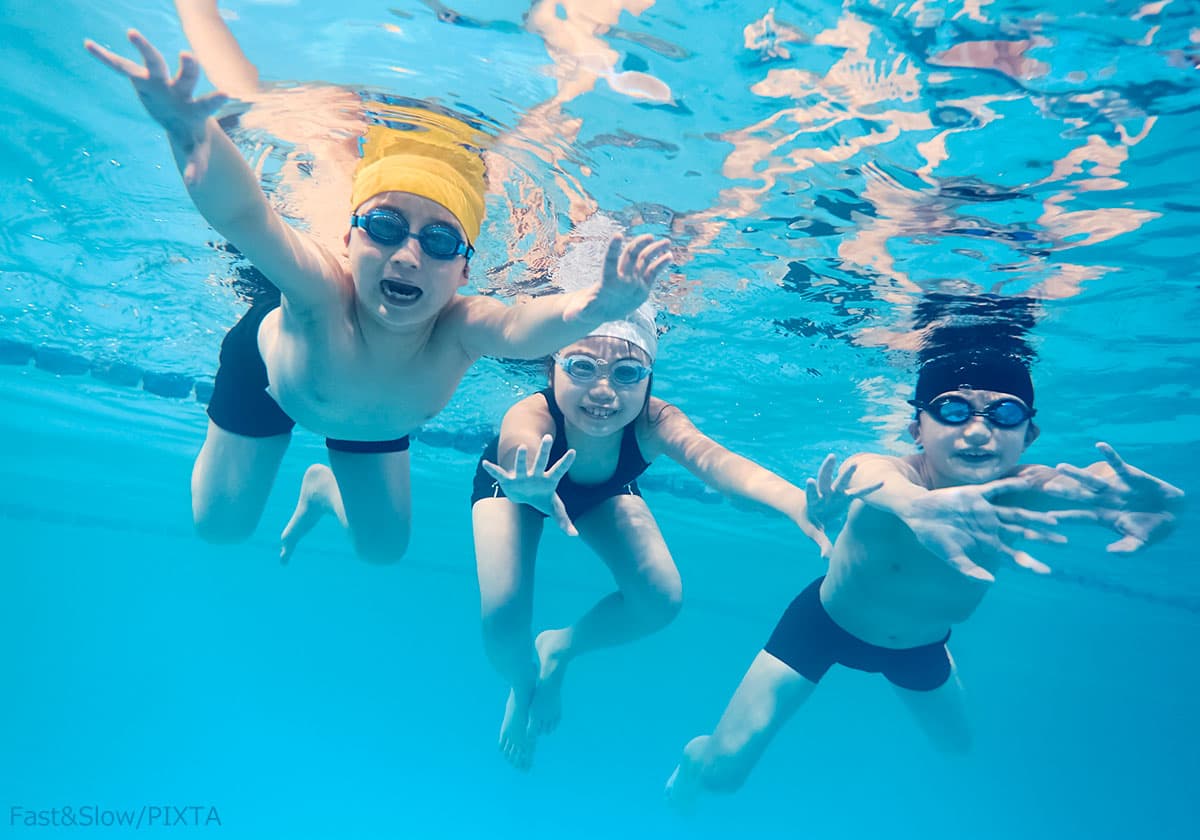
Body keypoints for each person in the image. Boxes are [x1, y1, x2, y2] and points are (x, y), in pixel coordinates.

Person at [84, 28, 672, 563]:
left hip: (367, 420)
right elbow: (246, 216)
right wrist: (192, 135)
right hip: (268, 376)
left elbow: (521, 329)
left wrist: (594, 309)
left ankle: (323, 488)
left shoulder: (460, 327)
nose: (409, 255)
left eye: (440, 242)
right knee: (221, 528)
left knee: (384, 550)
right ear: (347, 240)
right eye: (385, 228)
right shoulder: (319, 291)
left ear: (463, 271)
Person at [664, 350, 1184, 807]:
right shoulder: (896, 474)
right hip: (821, 626)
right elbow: (867, 473)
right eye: (953, 410)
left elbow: (1091, 489)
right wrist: (917, 506)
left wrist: (1147, 509)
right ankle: (692, 760)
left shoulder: (1026, 490)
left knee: (957, 748)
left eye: (1004, 413)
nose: (977, 431)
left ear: (1029, 434)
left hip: (921, 647)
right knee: (722, 774)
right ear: (917, 429)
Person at [469, 287, 874, 770]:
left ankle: (559, 648)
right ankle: (522, 688)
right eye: (581, 368)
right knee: (502, 622)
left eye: (626, 373)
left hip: (601, 494)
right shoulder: (532, 412)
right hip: (517, 487)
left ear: (648, 379)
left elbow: (719, 464)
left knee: (660, 599)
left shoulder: (655, 421)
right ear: (552, 367)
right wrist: (525, 477)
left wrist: (793, 503)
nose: (603, 391)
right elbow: (519, 439)